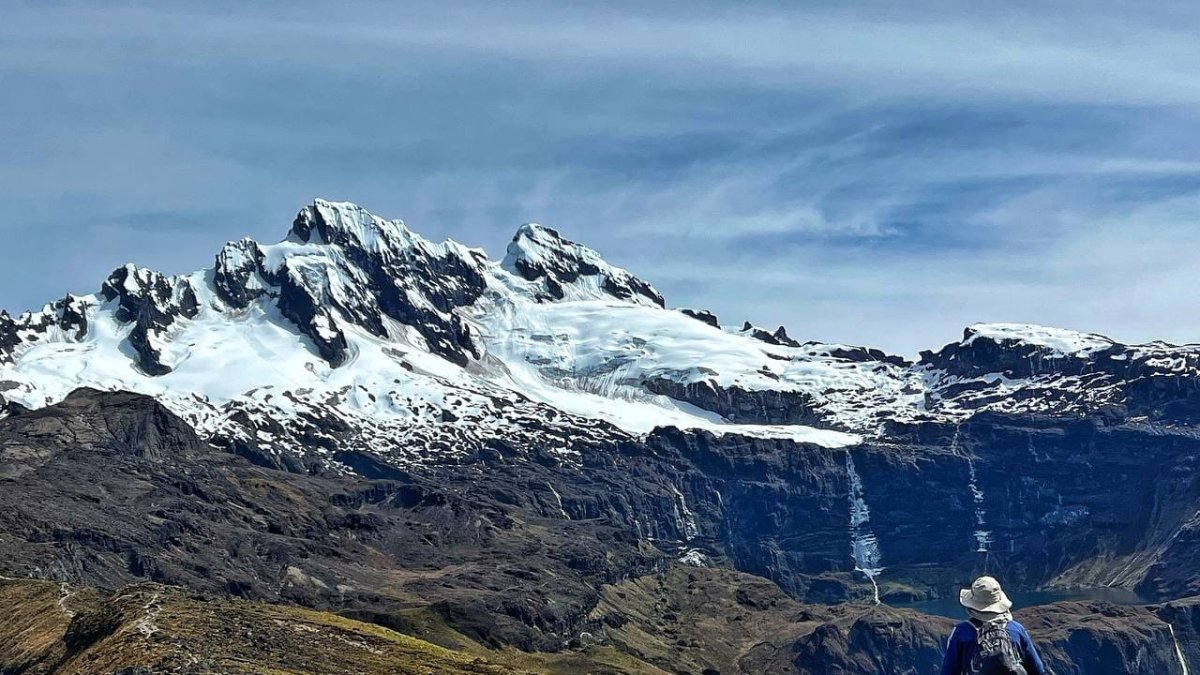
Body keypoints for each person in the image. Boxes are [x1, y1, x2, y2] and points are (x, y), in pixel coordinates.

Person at [940, 576, 1047, 675]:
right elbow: (1037, 669)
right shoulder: (1017, 630)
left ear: (972, 607)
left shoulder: (961, 632)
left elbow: (948, 671)